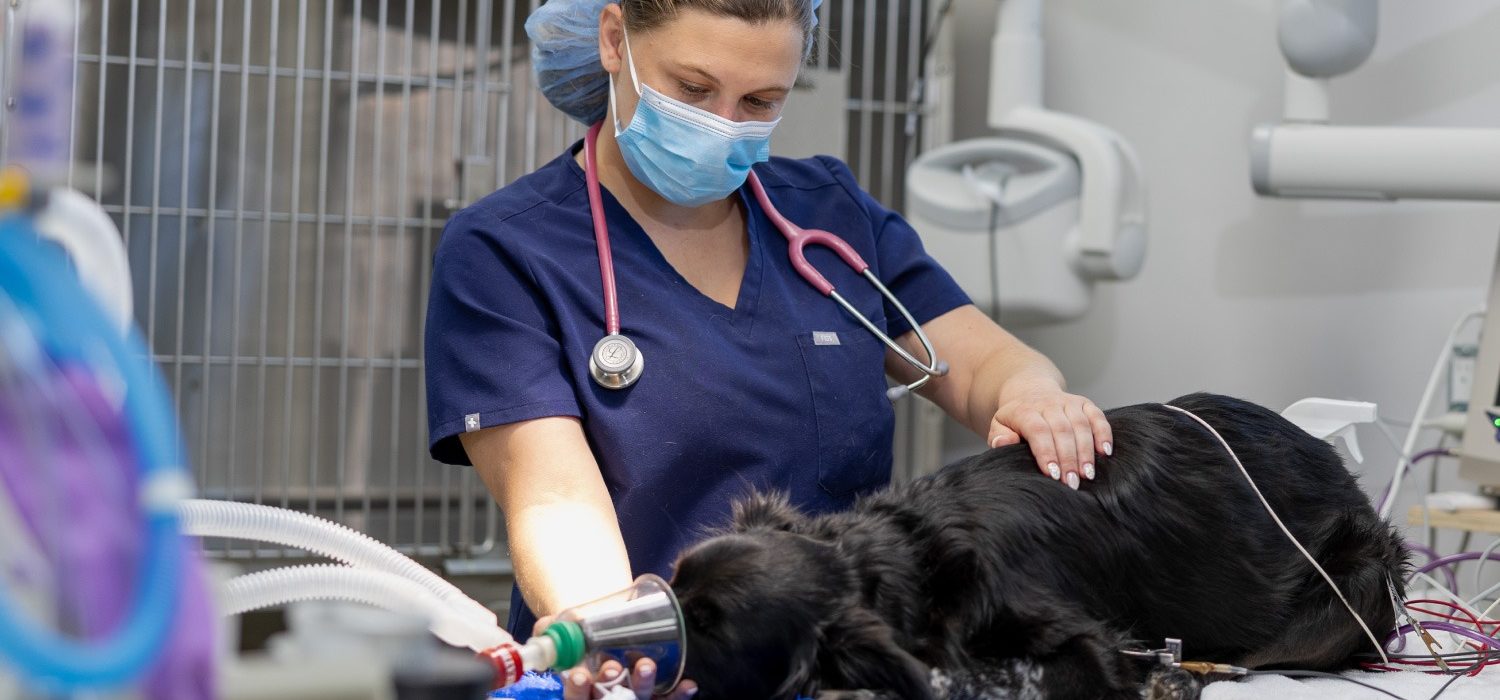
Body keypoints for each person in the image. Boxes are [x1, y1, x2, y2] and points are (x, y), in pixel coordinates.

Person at [424, 1, 1113, 697]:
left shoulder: (828, 214)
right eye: (693, 90)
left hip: (852, 664)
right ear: (614, 40)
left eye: (760, 101)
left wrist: (1031, 396)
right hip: (657, 669)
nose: (723, 122)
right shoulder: (507, 251)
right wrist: (617, 639)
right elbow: (555, 503)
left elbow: (990, 366)